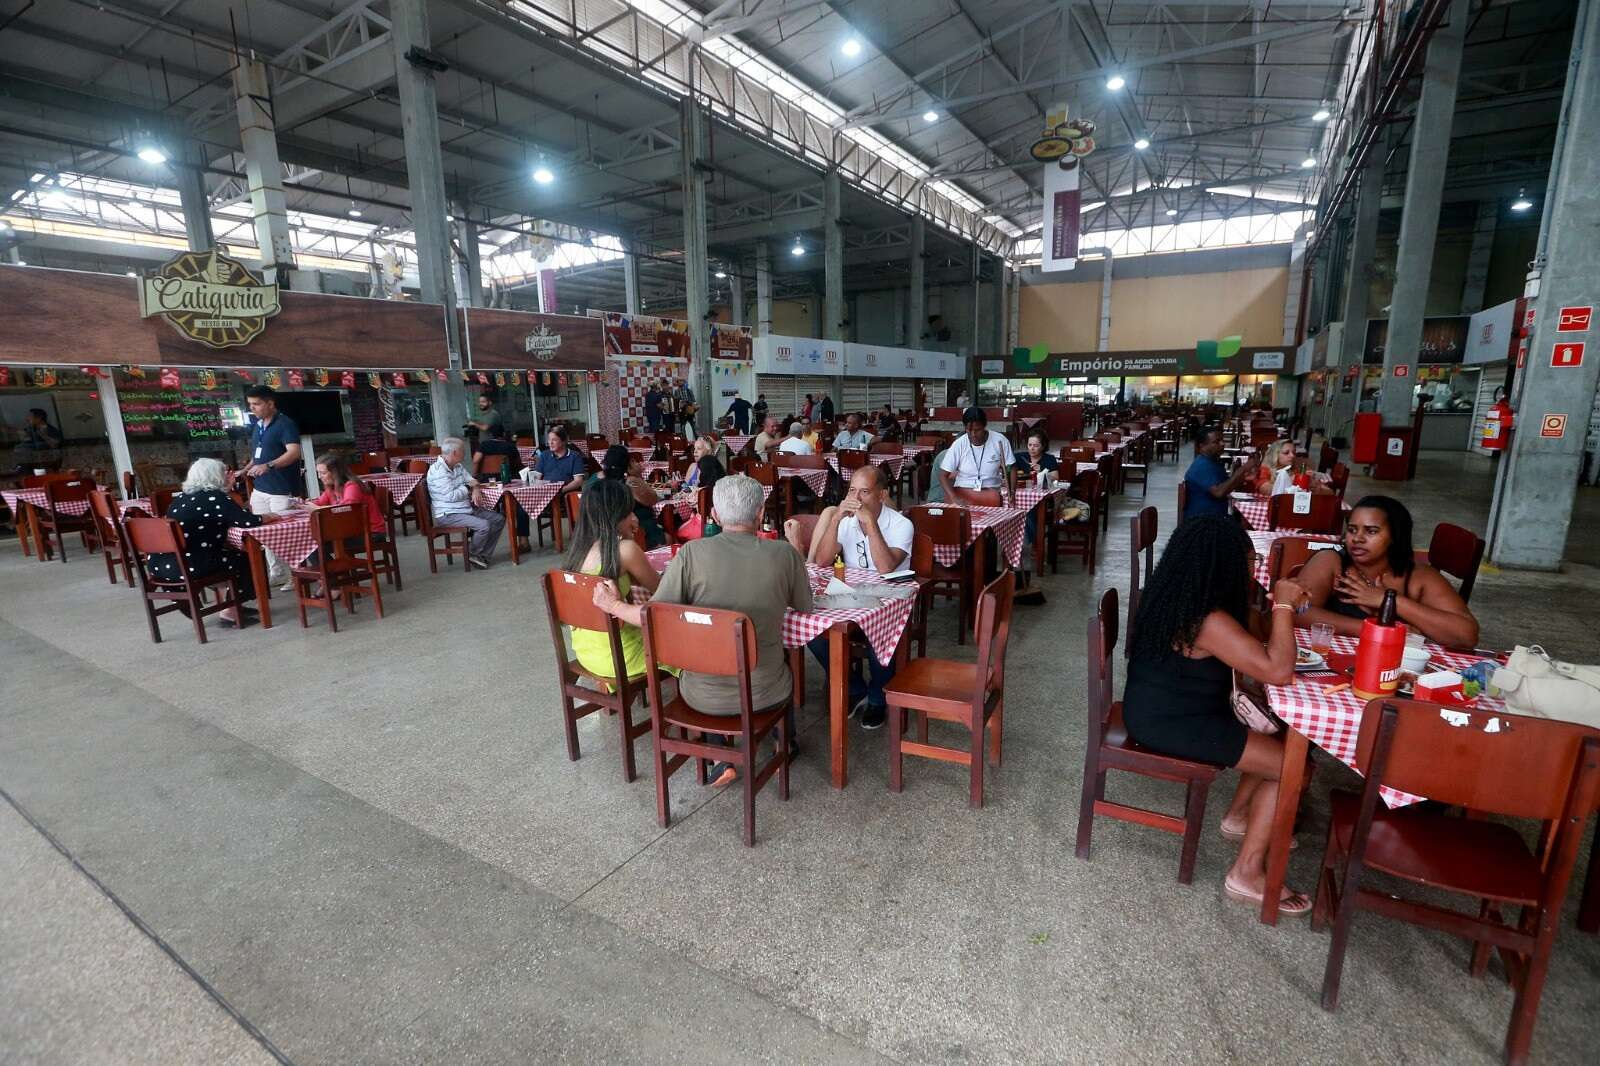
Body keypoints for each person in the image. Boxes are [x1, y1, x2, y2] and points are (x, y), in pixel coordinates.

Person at [1122, 515, 1310, 915]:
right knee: (1295, 767)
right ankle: (1246, 873)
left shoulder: (1180, 596)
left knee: (1281, 743)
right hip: (1172, 723)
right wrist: (1282, 603)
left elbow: (1254, 639)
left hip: (1165, 709)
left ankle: (1241, 816)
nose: (1251, 568)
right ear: (1224, 564)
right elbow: (1278, 670)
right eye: (1248, 561)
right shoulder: (1207, 620)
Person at [592, 475, 813, 785]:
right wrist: (797, 547)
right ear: (761, 513)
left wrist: (615, 606)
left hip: (702, 697)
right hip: (765, 692)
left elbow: (657, 615)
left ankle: (722, 759)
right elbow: (805, 606)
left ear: (716, 516)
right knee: (781, 660)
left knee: (711, 655)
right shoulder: (784, 554)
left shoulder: (691, 554)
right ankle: (783, 744)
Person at [803, 465, 913, 728]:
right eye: (852, 490)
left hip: (887, 606)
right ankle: (854, 688)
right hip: (850, 600)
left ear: (882, 495)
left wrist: (871, 524)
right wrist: (835, 519)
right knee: (813, 633)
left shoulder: (901, 525)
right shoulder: (847, 522)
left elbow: (886, 567)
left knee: (880, 641)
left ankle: (877, 698)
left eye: (865, 492)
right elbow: (822, 559)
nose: (857, 498)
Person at [1295, 495, 1479, 648]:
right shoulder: (1331, 562)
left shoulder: (1418, 578)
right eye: (1352, 530)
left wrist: (1390, 600)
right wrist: (1375, 629)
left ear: (1395, 537)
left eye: (1371, 531)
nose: (1357, 538)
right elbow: (1297, 612)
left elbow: (1466, 637)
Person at [563, 478, 664, 680]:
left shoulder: (576, 553)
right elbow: (663, 591)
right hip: (623, 657)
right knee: (684, 637)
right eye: (629, 512)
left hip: (588, 654)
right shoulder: (625, 551)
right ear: (616, 515)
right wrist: (629, 540)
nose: (634, 517)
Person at [145, 458, 263, 628]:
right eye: (223, 473)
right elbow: (247, 521)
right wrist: (268, 516)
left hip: (161, 563)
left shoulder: (181, 498)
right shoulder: (214, 497)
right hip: (188, 564)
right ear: (215, 476)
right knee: (246, 558)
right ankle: (230, 610)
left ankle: (233, 604)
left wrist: (226, 491)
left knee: (225, 555)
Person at [243, 386, 302, 586]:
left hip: (281, 488)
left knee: (287, 534)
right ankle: (277, 572)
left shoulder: (286, 424)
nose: (253, 408)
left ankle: (296, 574)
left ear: (270, 403)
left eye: (257, 404)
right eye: (250, 404)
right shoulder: (258, 425)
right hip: (260, 488)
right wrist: (244, 470)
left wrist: (269, 466)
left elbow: (294, 452)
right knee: (265, 533)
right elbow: (258, 455)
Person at [426, 436, 505, 569]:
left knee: (498, 519)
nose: (465, 452)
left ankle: (482, 555)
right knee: (483, 525)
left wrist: (475, 488)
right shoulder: (438, 471)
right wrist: (469, 487)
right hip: (448, 514)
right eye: (463, 450)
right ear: (455, 453)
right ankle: (473, 553)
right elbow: (451, 496)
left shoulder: (457, 466)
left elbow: (472, 480)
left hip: (465, 509)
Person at [296, 452, 387, 566]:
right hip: (352, 531)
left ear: (335, 473)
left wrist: (317, 508)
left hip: (371, 533)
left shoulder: (352, 485)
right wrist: (304, 503)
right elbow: (320, 502)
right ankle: (334, 576)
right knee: (308, 544)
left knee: (312, 545)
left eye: (323, 473)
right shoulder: (332, 487)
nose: (319, 477)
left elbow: (348, 509)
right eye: (318, 473)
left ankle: (334, 577)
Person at [938, 406, 1015, 507]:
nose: (973, 434)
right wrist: (954, 497)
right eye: (968, 430)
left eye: (977, 430)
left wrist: (1012, 491)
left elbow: (1012, 467)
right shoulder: (959, 444)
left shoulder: (999, 441)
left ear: (985, 426)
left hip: (990, 494)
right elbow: (942, 475)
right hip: (963, 493)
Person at [594, 444, 666, 549]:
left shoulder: (598, 480)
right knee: (668, 536)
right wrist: (637, 475)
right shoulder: (630, 482)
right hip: (639, 532)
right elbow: (653, 499)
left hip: (606, 533)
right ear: (627, 463)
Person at [1182, 426, 1258, 520]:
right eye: (1216, 442)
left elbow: (1226, 486)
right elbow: (1219, 492)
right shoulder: (1202, 465)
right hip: (1202, 521)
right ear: (1202, 446)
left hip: (1214, 517)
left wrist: (1243, 477)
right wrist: (1242, 470)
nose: (1222, 444)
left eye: (1222, 440)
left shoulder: (1213, 462)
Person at [533, 426, 587, 493]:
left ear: (563, 441)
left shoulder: (575, 456)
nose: (550, 442)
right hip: (546, 493)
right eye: (549, 439)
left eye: (554, 440)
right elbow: (536, 477)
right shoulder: (544, 455)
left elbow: (578, 481)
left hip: (566, 494)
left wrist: (560, 491)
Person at [10, 407, 63, 471]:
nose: (27, 419)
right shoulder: (32, 429)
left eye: (30, 417)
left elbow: (55, 445)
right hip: (31, 461)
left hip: (45, 462)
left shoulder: (51, 430)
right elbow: (21, 432)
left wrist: (42, 434)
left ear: (38, 418)